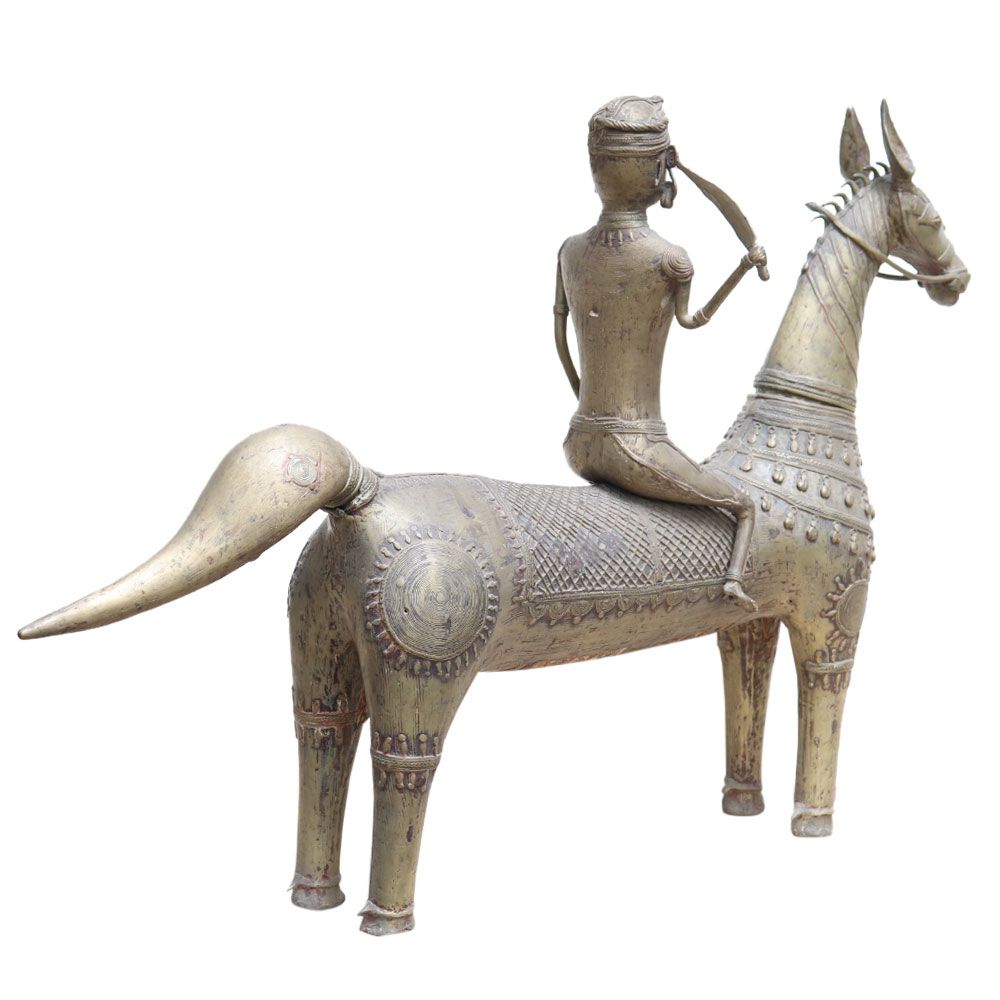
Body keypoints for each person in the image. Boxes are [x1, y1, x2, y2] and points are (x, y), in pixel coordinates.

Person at [555, 96, 767, 611]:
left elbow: (559, 340)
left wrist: (587, 401)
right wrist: (743, 268)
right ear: (658, 170)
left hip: (578, 443)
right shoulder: (669, 259)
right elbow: (694, 320)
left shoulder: (570, 251)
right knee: (742, 507)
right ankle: (732, 584)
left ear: (596, 168)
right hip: (636, 447)